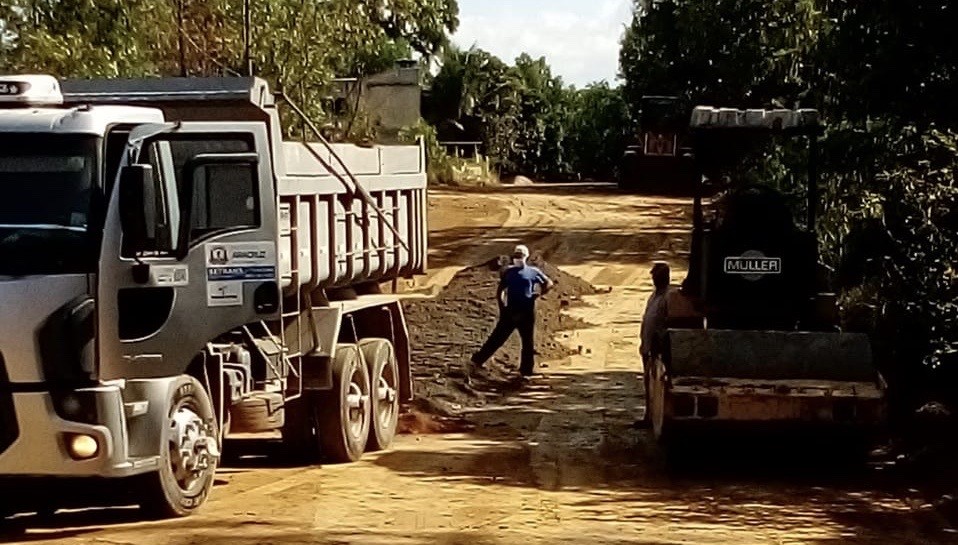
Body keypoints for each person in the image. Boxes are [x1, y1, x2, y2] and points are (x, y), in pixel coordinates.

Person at [470, 244, 554, 377]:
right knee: (497, 338)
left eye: (520, 257)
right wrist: (502, 307)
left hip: (527, 311)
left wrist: (538, 294)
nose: (518, 259)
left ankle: (526, 371)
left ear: (526, 257)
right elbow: (501, 290)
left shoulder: (533, 272)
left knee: (527, 342)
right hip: (510, 310)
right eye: (516, 256)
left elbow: (548, 283)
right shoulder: (507, 272)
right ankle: (477, 361)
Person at [638, 261, 671, 426]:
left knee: (657, 388)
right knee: (648, 384)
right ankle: (648, 416)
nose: (653, 279)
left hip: (657, 349)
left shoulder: (668, 298)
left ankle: (656, 418)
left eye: (656, 276)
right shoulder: (654, 296)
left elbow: (667, 324)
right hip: (647, 346)